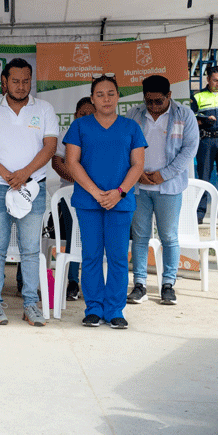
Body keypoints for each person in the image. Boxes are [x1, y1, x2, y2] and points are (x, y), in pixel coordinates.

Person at [0, 57, 58, 327]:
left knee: (31, 250)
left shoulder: (44, 109)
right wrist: (5, 174)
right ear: (4, 82)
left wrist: (24, 173)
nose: (21, 86)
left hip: (32, 187)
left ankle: (31, 304)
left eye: (26, 81)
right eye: (15, 81)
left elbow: (50, 147)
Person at [64, 74, 146, 328]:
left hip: (120, 202)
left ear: (118, 96)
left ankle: (115, 310)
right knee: (91, 255)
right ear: (92, 98)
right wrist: (95, 192)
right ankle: (93, 308)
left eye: (111, 93)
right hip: (88, 202)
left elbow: (138, 164)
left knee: (118, 257)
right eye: (100, 94)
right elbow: (72, 162)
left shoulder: (131, 127)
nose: (106, 99)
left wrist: (119, 192)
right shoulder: (79, 126)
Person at [126, 75, 199, 306]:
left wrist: (163, 174)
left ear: (169, 95)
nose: (153, 106)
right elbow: (125, 145)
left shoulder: (184, 115)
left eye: (158, 101)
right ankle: (139, 284)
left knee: (169, 236)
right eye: (148, 101)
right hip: (139, 186)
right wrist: (137, 172)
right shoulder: (133, 114)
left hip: (169, 186)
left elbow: (189, 150)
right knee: (140, 236)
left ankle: (168, 284)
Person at [51, 97, 95, 300]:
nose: (86, 117)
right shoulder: (66, 134)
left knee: (93, 238)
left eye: (90, 114)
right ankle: (72, 282)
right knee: (74, 236)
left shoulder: (102, 134)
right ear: (75, 115)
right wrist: (77, 178)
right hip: (69, 193)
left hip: (95, 194)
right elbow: (57, 162)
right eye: (82, 114)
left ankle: (92, 282)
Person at [191, 64, 218, 224]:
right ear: (207, 79)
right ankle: (198, 215)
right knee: (203, 179)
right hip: (206, 141)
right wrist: (203, 121)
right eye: (215, 80)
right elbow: (191, 118)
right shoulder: (198, 96)